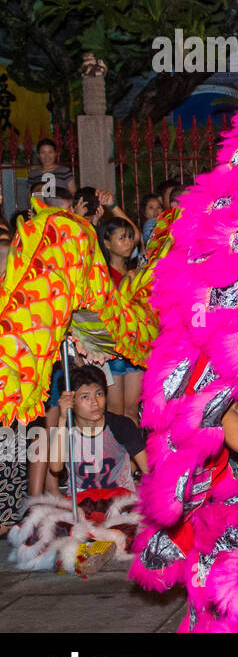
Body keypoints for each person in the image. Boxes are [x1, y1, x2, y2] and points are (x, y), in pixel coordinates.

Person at [11, 365, 148, 577]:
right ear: (71, 401)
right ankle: (86, 547)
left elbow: (148, 469)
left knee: (140, 520)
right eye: (85, 397)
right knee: (36, 516)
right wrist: (62, 420)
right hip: (81, 504)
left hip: (118, 502)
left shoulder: (120, 425)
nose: (95, 402)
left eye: (99, 394)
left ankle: (91, 547)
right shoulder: (66, 429)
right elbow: (55, 467)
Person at [96, 216, 146, 420]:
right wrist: (123, 284)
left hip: (136, 349)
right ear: (107, 243)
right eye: (121, 238)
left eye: (129, 238)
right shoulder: (102, 274)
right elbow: (103, 309)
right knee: (115, 414)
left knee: (132, 412)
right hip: (113, 351)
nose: (127, 242)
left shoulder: (137, 270)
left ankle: (135, 453)